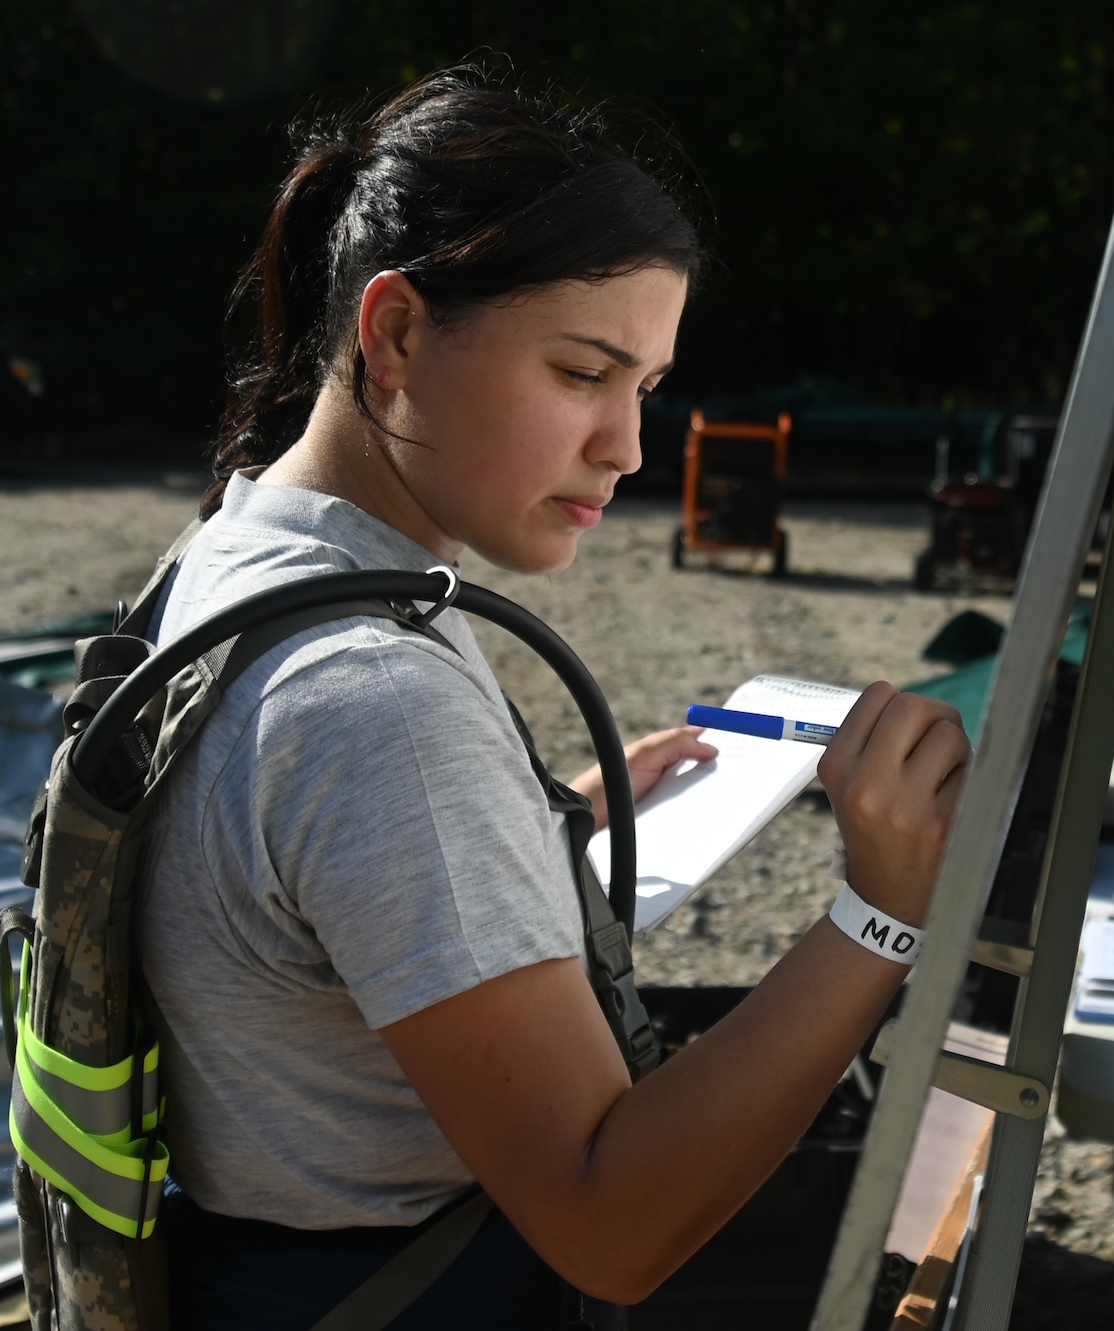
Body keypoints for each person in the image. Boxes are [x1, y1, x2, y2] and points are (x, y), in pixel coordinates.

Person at [138, 65, 970, 1329]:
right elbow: (608, 1222)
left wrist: (539, 824)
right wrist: (882, 913)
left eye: (641, 388)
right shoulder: (375, 709)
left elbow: (282, 893)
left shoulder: (235, 554)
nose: (628, 449)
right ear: (397, 331)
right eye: (583, 372)